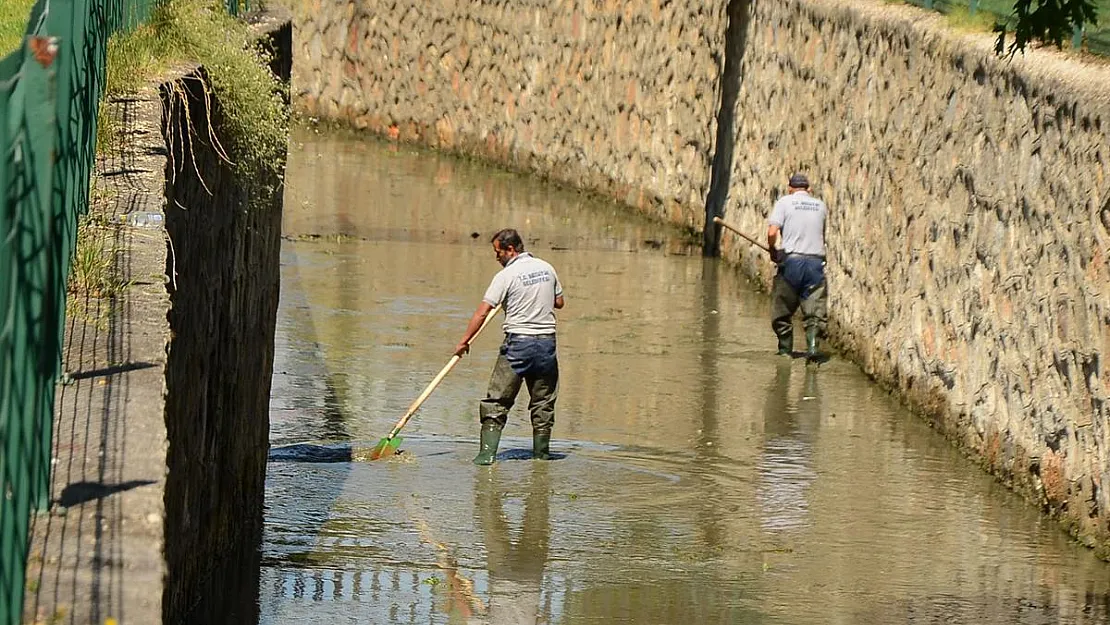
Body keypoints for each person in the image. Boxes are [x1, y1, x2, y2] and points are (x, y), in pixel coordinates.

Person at [455, 228, 564, 465]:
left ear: (510, 249)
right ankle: (541, 457)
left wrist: (464, 341)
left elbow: (482, 312)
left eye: (498, 252)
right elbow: (559, 302)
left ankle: (485, 458)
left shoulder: (506, 276)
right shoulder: (547, 267)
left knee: (496, 402)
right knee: (543, 404)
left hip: (518, 346)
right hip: (546, 345)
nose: (496, 258)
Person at [766, 173, 828, 361]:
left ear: (790, 188)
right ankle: (812, 348)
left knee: (782, 311)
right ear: (808, 189)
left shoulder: (784, 202)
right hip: (815, 264)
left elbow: (772, 232)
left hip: (792, 263)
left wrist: (772, 250)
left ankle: (785, 351)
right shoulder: (821, 206)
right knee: (814, 311)